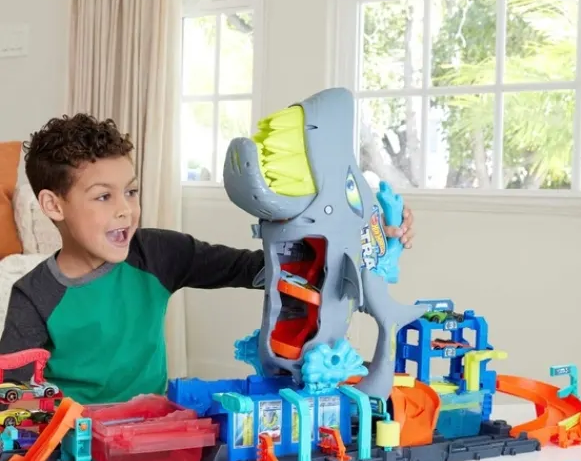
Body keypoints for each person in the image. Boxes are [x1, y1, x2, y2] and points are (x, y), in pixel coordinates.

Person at [0, 113, 414, 405]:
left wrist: (369, 239)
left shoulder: (157, 254)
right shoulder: (34, 295)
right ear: (53, 205)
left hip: (152, 432)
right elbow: (13, 398)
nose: (126, 209)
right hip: (73, 442)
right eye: (103, 196)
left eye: (131, 191)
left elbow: (260, 268)